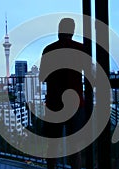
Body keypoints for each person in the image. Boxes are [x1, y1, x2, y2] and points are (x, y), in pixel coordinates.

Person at [39, 17, 91, 169]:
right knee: (75, 147)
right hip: (75, 103)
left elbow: (42, 77)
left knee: (52, 146)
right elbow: (89, 73)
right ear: (73, 31)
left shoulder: (49, 50)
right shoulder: (81, 49)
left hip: (54, 103)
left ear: (59, 30)